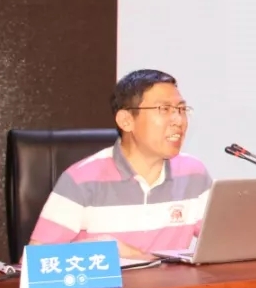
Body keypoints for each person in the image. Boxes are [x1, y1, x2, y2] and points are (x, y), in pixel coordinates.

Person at [27, 69, 213, 261]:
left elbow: (223, 245)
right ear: (126, 120)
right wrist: (103, 251)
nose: (179, 120)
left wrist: (140, 257)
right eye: (164, 109)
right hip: (107, 282)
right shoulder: (82, 180)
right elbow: (34, 262)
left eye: (181, 109)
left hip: (169, 282)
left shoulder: (193, 174)